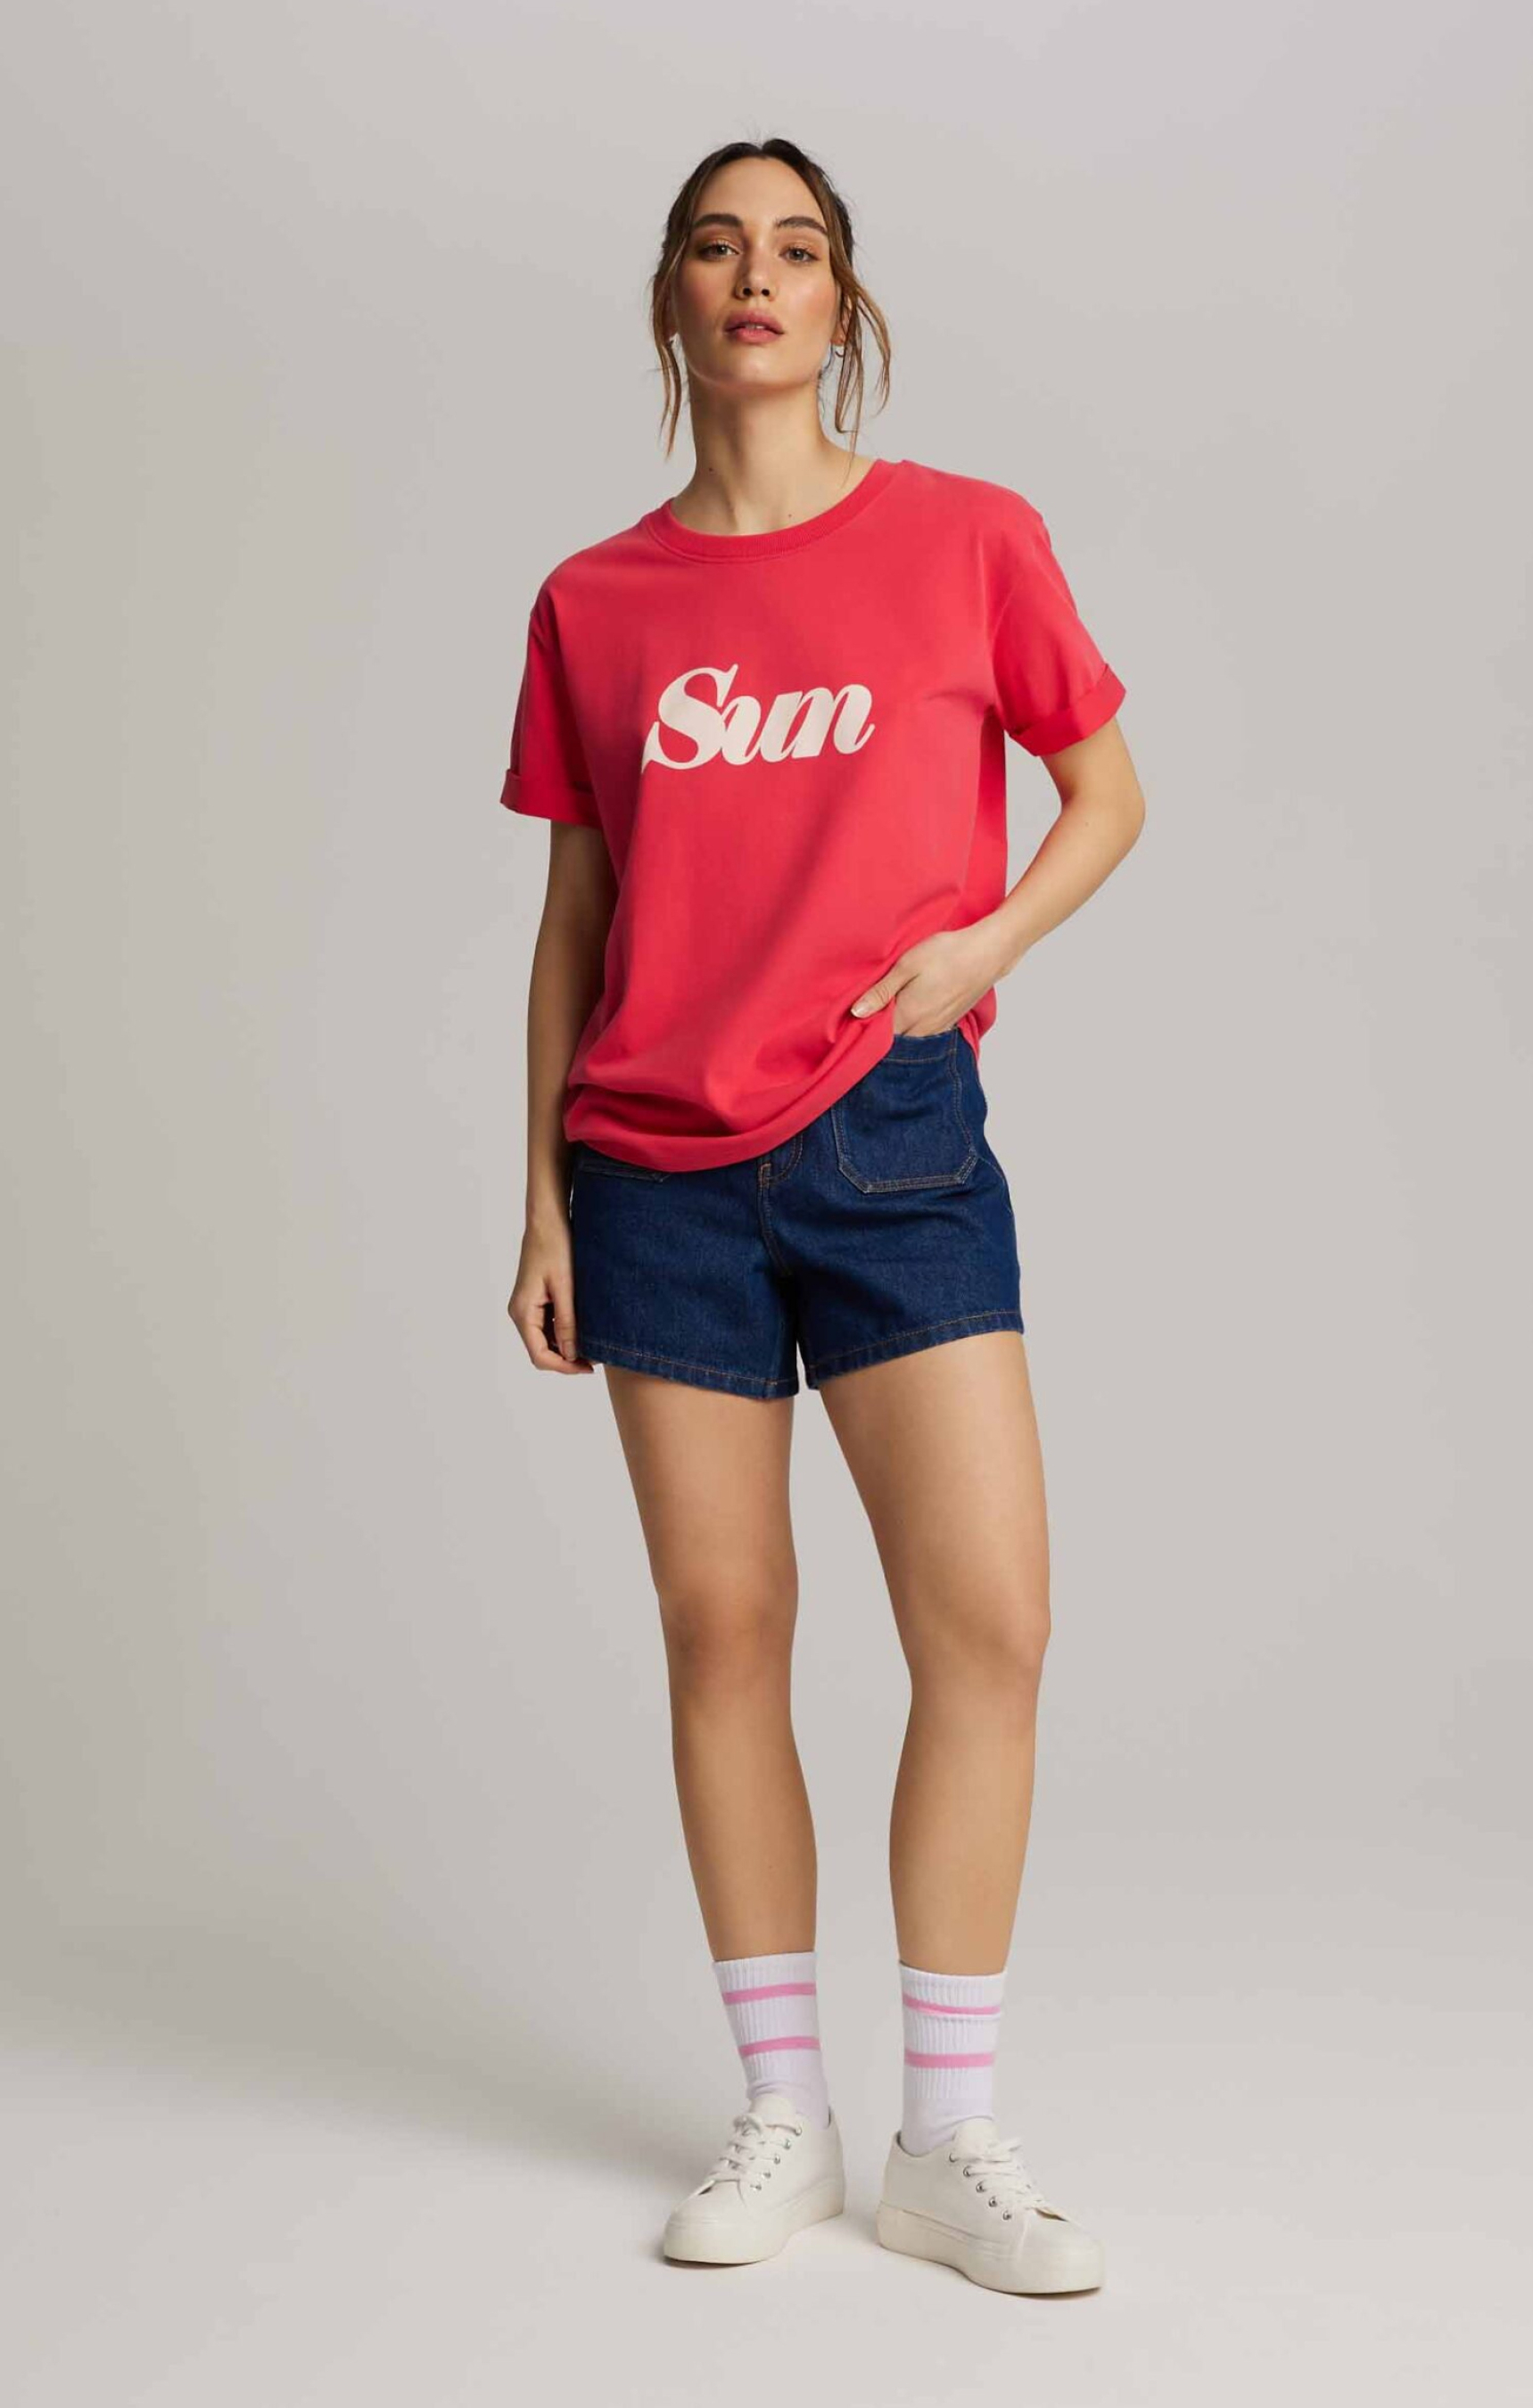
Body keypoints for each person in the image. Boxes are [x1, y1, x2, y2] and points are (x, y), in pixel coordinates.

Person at [500, 136, 1144, 2297]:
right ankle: (781, 2114)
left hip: (893, 1142)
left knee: (990, 1625)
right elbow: (574, 914)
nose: (753, 276)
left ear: (840, 303)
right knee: (725, 1631)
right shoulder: (595, 603)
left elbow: (1104, 791)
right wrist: (539, 1201)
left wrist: (982, 952)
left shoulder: (965, 539)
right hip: (651, 1173)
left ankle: (945, 2140)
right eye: (715, 246)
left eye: (794, 248)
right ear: (671, 301)